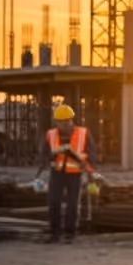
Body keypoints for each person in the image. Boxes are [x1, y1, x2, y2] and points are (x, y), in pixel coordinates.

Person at [35, 104, 96, 243]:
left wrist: (89, 169)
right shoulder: (50, 134)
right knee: (54, 202)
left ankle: (70, 233)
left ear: (72, 120)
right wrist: (47, 160)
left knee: (73, 204)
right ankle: (54, 232)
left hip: (75, 173)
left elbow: (91, 153)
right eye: (62, 122)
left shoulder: (83, 133)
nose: (65, 125)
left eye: (67, 121)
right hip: (57, 173)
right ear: (56, 122)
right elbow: (42, 154)